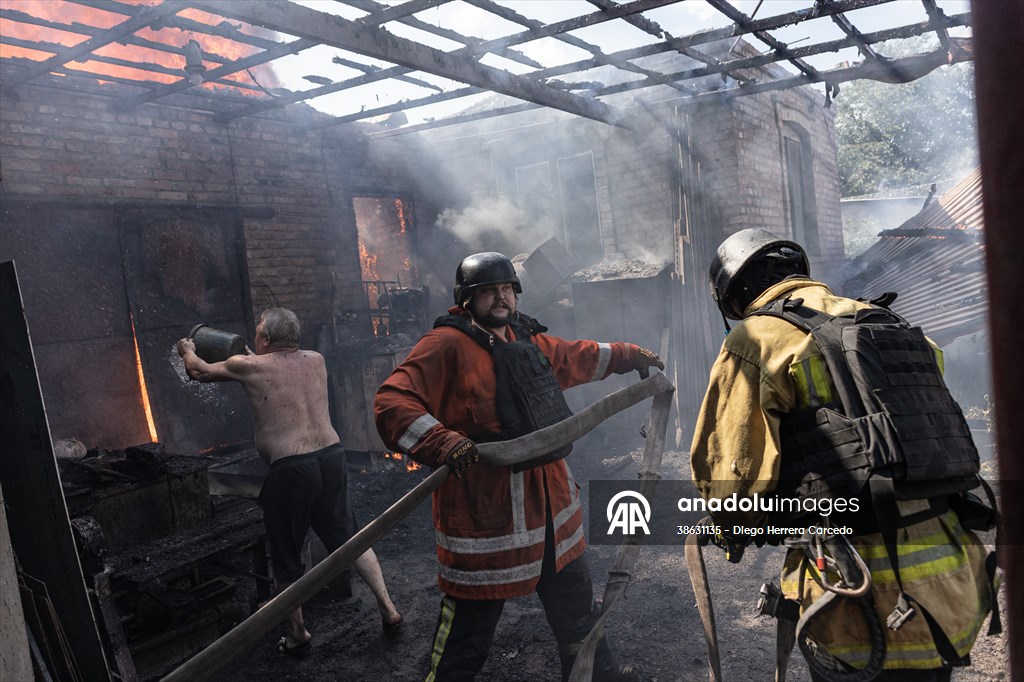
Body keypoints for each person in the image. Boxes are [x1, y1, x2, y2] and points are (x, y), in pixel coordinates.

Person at [689, 228, 996, 681]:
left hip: (855, 599)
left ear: (734, 299)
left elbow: (732, 473)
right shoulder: (885, 321)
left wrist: (730, 529)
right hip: (950, 588)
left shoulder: (755, 341)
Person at [374, 252, 663, 682]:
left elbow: (574, 356)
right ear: (466, 300)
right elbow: (391, 402)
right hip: (488, 530)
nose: (501, 297)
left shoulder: (527, 340)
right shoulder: (445, 346)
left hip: (555, 524)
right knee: (464, 648)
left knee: (580, 626)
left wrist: (629, 355)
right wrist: (443, 441)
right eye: (489, 290)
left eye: (507, 288)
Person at [177, 307, 401, 658]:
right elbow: (278, 369)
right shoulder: (316, 360)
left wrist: (187, 349)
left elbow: (198, 371)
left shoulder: (247, 366)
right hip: (331, 457)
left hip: (291, 470)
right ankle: (389, 609)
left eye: (258, 333)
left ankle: (298, 635)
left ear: (265, 339)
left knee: (285, 556)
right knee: (350, 538)